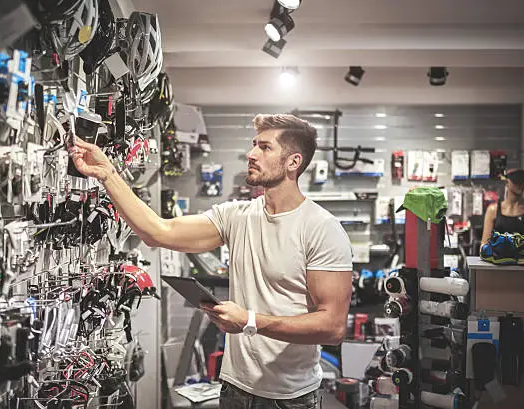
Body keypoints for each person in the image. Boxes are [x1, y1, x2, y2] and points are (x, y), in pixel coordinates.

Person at [70, 114, 353, 409]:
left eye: (265, 148)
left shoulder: (321, 228)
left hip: (290, 397)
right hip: (233, 388)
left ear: (293, 162)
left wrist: (250, 321)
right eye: (254, 145)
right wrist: (108, 175)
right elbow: (158, 231)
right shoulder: (237, 215)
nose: (251, 154)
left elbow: (332, 326)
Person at [481, 168, 524, 249]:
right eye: (517, 182)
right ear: (507, 182)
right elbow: (484, 245)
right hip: (499, 259)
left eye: (523, 182)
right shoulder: (493, 210)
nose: (521, 185)